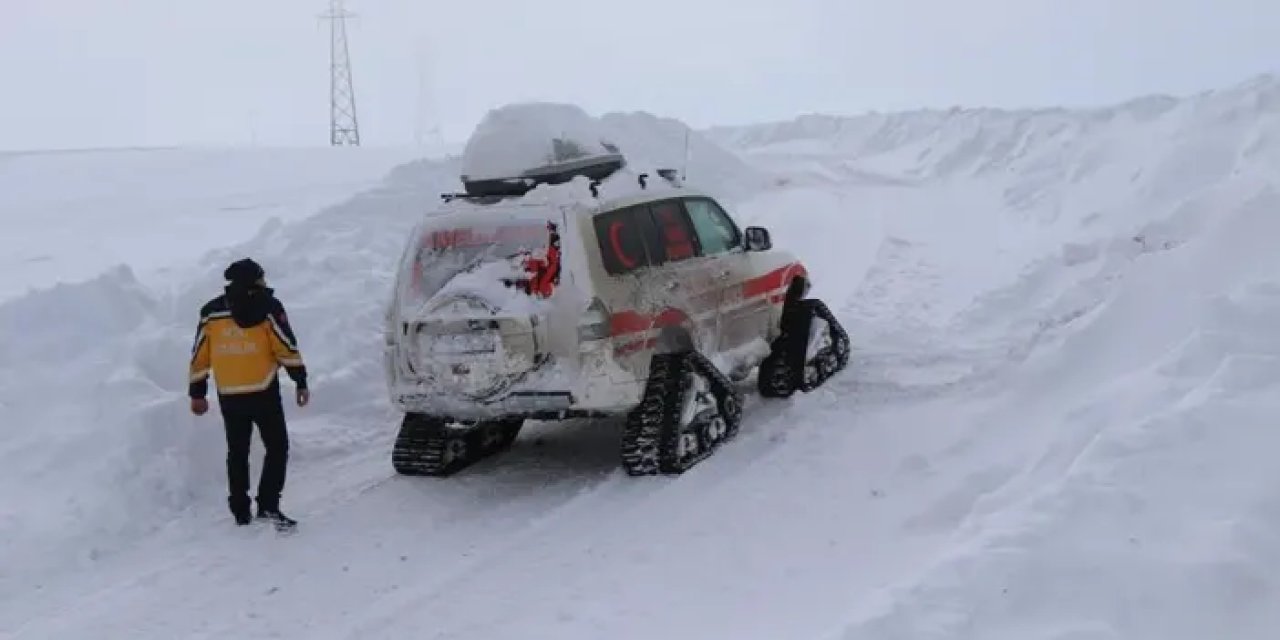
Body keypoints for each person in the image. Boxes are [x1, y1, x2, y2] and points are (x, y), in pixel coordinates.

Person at [188, 258, 310, 528]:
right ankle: (268, 506)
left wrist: (197, 392)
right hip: (263, 389)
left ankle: (240, 511)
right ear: (256, 280)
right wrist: (300, 380)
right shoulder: (268, 308)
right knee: (277, 448)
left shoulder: (211, 313)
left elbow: (199, 355)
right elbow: (285, 346)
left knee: (237, 452)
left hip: (229, 393)